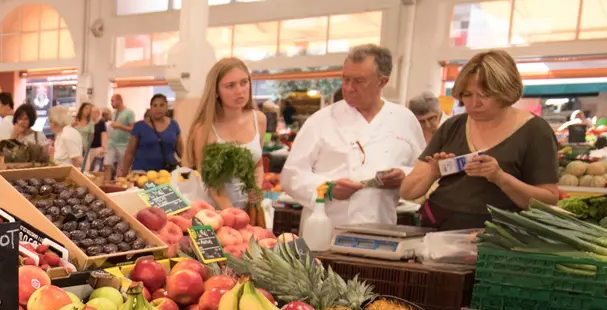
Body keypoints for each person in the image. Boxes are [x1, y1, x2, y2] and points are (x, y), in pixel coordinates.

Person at [400, 49, 561, 230]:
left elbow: (548, 200)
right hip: (436, 231)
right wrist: (433, 172)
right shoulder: (453, 126)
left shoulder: (535, 131)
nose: (474, 103)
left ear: (505, 92)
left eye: (485, 95)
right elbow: (408, 191)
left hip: (497, 239)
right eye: (467, 95)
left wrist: (500, 177)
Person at [279, 45, 424, 230]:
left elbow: (422, 171)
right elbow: (291, 175)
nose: (348, 88)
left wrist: (403, 175)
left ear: (382, 81)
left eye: (359, 81)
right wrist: (328, 188)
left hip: (381, 229)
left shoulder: (404, 120)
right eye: (345, 79)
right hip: (325, 229)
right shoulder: (322, 120)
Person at [182, 57, 267, 210]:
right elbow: (210, 180)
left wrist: (257, 188)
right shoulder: (204, 129)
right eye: (230, 86)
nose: (239, 91)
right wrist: (231, 213)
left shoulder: (259, 119)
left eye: (244, 82)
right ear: (215, 91)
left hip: (250, 209)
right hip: (216, 211)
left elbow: (258, 164)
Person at [120, 94, 180, 176]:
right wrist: (124, 174)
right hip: (142, 173)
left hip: (166, 174)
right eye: (155, 105)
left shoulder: (174, 125)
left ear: (166, 107)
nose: (158, 108)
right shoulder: (139, 126)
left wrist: (187, 167)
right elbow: (130, 152)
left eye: (161, 105)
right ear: (151, 108)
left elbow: (181, 150)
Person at [103, 94, 136, 176]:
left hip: (123, 145)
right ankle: (107, 184)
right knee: (107, 164)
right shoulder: (114, 113)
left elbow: (133, 129)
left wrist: (120, 126)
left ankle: (123, 183)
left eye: (112, 101)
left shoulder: (129, 113)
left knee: (123, 167)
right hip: (111, 144)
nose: (111, 103)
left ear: (119, 101)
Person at [51, 106, 87, 170]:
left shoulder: (66, 135)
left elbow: (78, 160)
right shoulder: (61, 134)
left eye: (50, 121)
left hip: (68, 175)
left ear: (54, 122)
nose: (50, 125)